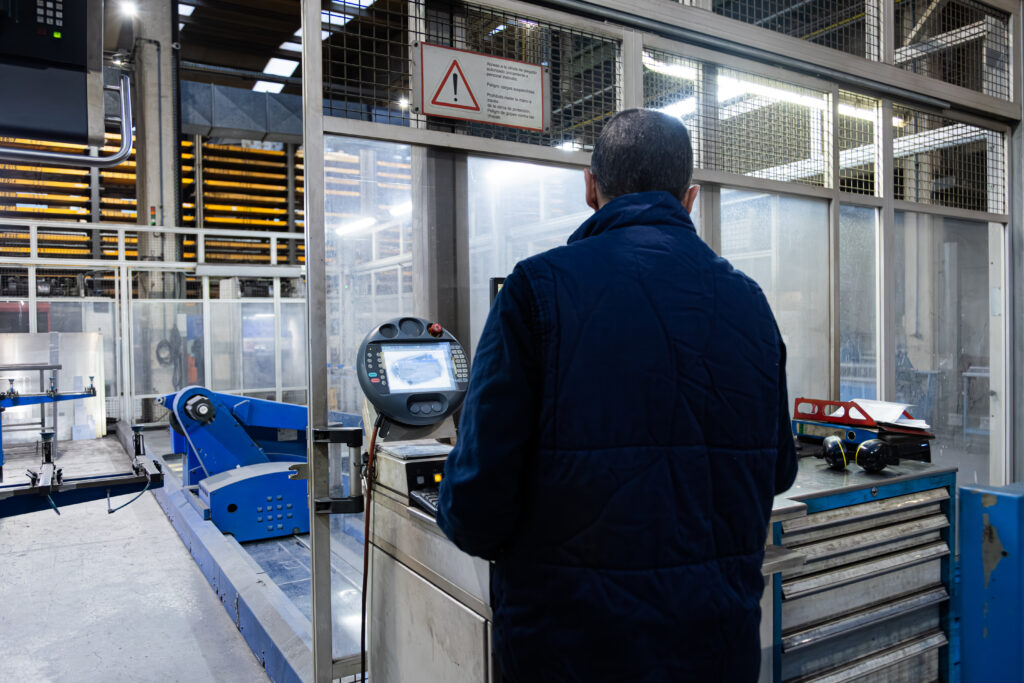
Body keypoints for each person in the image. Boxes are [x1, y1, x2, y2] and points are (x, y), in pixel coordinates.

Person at [436, 108, 798, 682]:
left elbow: (477, 508)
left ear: (589, 185)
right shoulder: (750, 301)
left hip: (568, 650)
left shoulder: (535, 290)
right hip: (715, 646)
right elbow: (777, 470)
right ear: (691, 197)